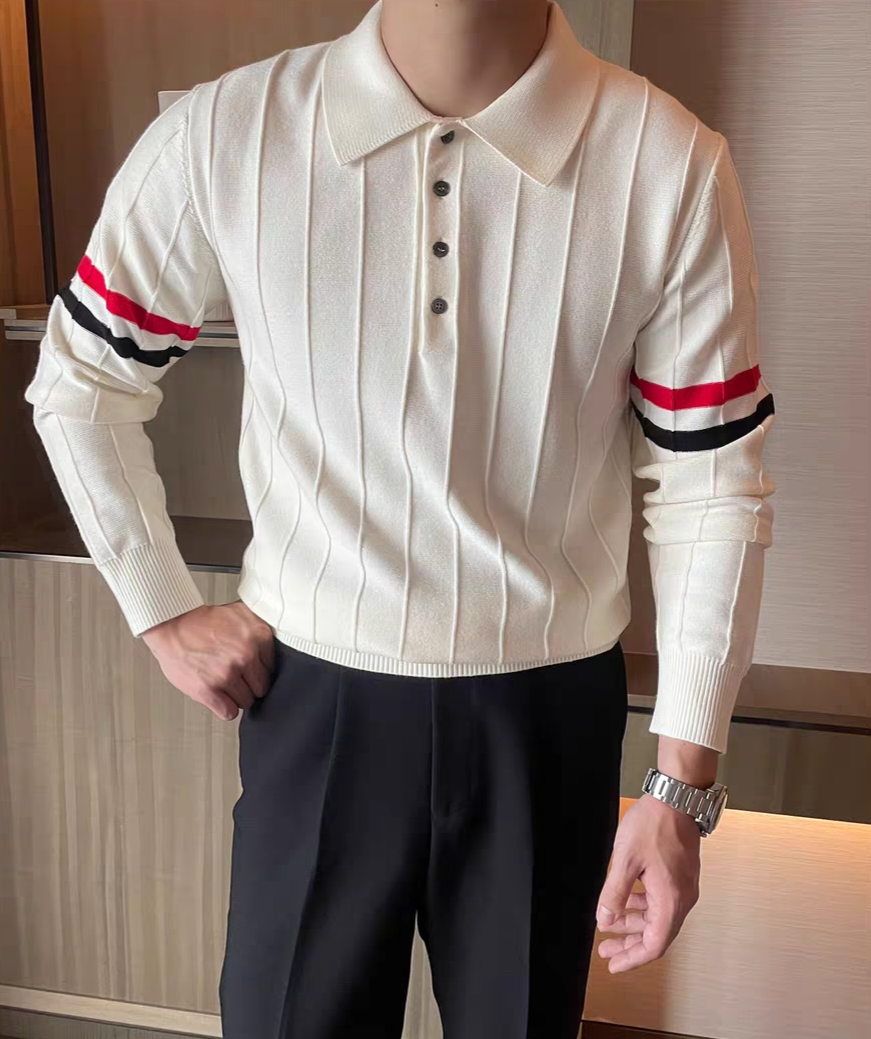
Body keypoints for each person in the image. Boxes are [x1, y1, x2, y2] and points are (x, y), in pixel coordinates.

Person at [23, 0, 776, 1035]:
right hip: (314, 698)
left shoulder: (667, 162)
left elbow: (711, 477)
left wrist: (680, 781)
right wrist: (159, 605)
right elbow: (80, 381)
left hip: (547, 713)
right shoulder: (224, 132)